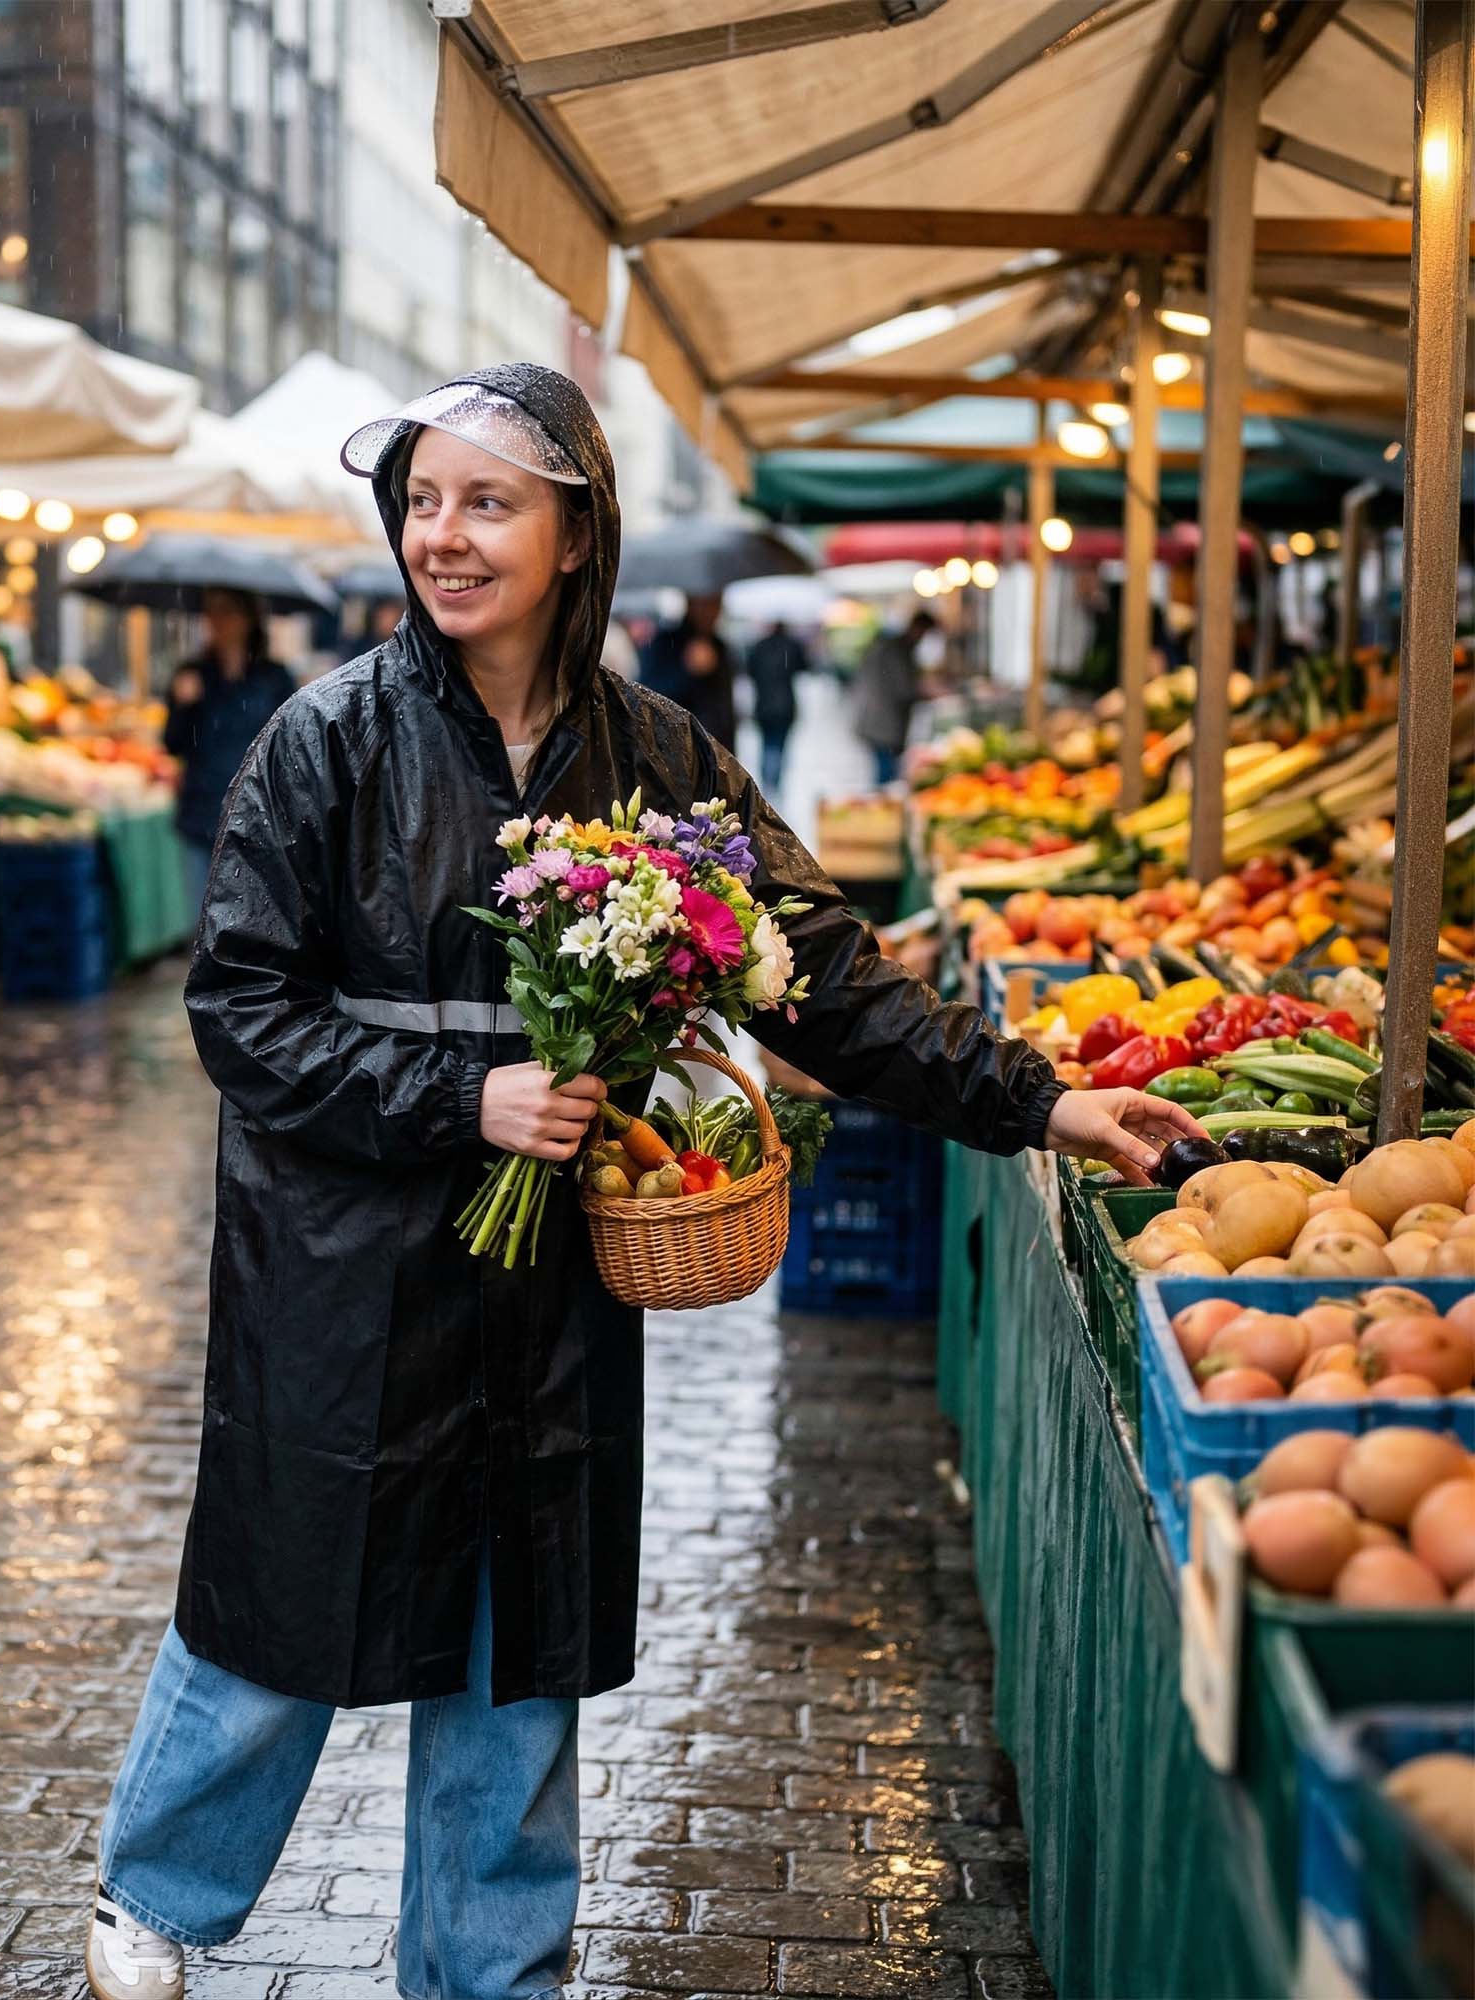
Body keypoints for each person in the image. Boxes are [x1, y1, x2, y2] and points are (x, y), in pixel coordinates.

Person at [83, 365, 1207, 2000]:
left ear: (575, 529)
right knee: (280, 1591)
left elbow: (818, 972)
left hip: (545, 1283)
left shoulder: (658, 753)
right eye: (422, 501)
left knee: (513, 1630)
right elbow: (240, 1016)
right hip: (337, 1256)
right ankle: (159, 1897)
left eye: (486, 502)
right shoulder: (321, 743)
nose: (442, 538)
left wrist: (1036, 1102)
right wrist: (466, 1095)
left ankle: (492, 1970)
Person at [161, 587, 297, 924]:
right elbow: (172, 744)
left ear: (248, 618)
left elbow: (292, 746)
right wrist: (182, 705)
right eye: (211, 612)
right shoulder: (193, 675)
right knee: (203, 922)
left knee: (252, 922)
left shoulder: (273, 678)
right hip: (201, 812)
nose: (217, 621)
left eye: (227, 611)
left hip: (259, 815)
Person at [639, 589, 738, 747]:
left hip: (716, 748)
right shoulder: (665, 642)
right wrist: (688, 672)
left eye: (717, 604)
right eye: (706, 604)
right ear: (690, 603)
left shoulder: (720, 647)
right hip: (677, 746)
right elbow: (649, 695)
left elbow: (725, 708)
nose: (712, 612)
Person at [853, 605, 936, 786]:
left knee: (885, 771)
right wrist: (931, 694)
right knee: (886, 776)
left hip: (877, 720)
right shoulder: (897, 650)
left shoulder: (892, 645)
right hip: (884, 724)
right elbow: (904, 688)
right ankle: (881, 808)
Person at [745, 618, 813, 793]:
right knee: (780, 745)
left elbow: (749, 671)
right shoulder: (791, 646)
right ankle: (774, 781)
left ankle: (769, 781)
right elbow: (804, 667)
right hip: (785, 705)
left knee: (767, 744)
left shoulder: (759, 646)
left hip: (764, 705)